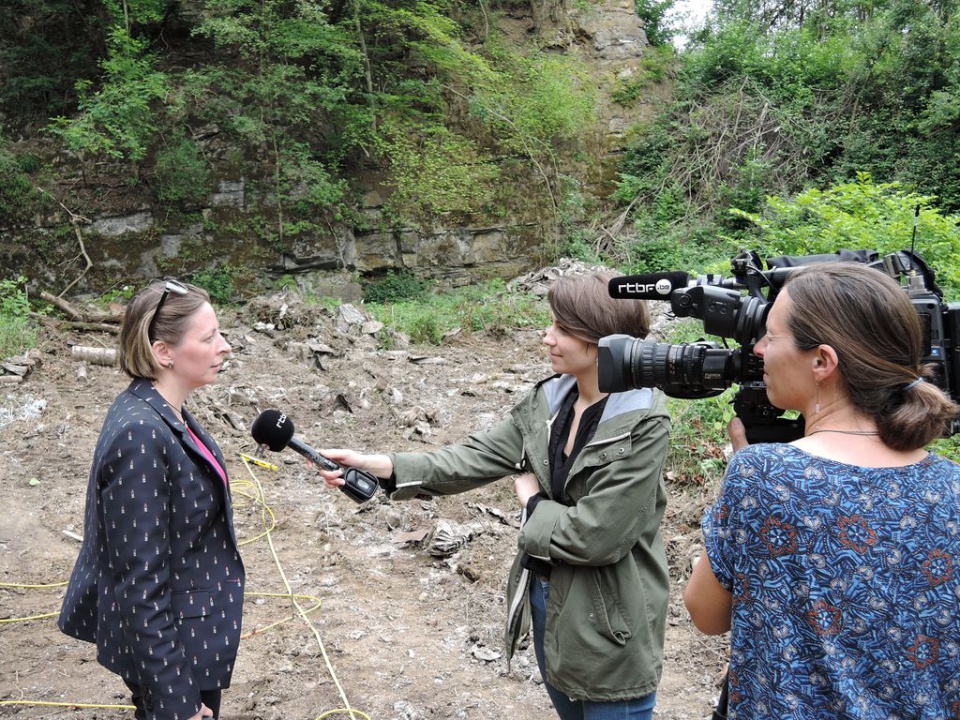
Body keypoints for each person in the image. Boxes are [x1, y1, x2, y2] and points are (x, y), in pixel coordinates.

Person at [316, 272, 671, 720]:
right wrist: (383, 466)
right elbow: (473, 456)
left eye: (562, 328)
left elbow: (596, 535)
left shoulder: (642, 421)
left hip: (612, 621)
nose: (548, 336)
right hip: (549, 600)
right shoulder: (551, 401)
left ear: (603, 339)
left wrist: (533, 504)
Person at [684, 262, 960, 719]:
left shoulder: (764, 476)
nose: (757, 349)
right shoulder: (951, 486)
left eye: (771, 337)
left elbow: (706, 615)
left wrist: (739, 485)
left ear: (822, 362)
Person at [58, 280, 244, 720]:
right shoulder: (141, 433)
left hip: (190, 631)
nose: (226, 346)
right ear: (164, 352)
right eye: (209, 337)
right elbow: (138, 584)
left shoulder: (161, 409)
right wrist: (176, 700)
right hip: (172, 648)